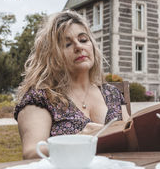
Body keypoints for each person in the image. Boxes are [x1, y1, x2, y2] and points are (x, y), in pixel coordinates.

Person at [14, 11, 129, 159]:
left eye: (83, 40)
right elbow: (31, 153)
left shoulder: (112, 93)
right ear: (52, 56)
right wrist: (76, 141)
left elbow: (132, 138)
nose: (78, 47)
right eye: (67, 44)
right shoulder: (40, 97)